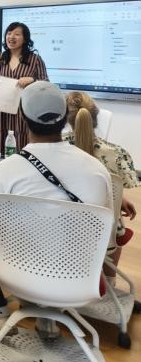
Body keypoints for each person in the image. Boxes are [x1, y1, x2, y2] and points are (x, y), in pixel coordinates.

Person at [0, 81, 112, 339]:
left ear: (22, 117)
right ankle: (46, 316)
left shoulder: (6, 170)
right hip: (80, 273)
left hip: (21, 270)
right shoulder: (97, 169)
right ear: (65, 118)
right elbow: (103, 228)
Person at [64, 91, 137, 279]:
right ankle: (110, 280)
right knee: (114, 221)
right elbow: (121, 183)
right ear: (95, 117)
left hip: (62, 225)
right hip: (102, 230)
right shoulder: (117, 154)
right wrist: (119, 198)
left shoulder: (54, 149)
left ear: (65, 119)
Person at [0, 22, 48, 153]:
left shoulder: (35, 60)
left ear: (25, 39)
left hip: (23, 112)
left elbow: (46, 85)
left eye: (17, 34)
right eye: (9, 33)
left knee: (21, 145)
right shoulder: (0, 58)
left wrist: (32, 80)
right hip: (1, 112)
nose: (11, 37)